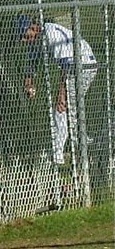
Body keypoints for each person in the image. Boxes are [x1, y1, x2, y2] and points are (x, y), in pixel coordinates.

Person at [20, 16, 98, 167]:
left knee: (61, 108)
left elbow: (66, 65)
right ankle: (81, 144)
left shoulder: (50, 34)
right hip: (83, 64)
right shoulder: (38, 38)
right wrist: (28, 83)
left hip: (81, 64)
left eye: (25, 35)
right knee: (71, 108)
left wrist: (61, 95)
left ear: (34, 28)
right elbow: (31, 63)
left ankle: (58, 154)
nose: (24, 40)